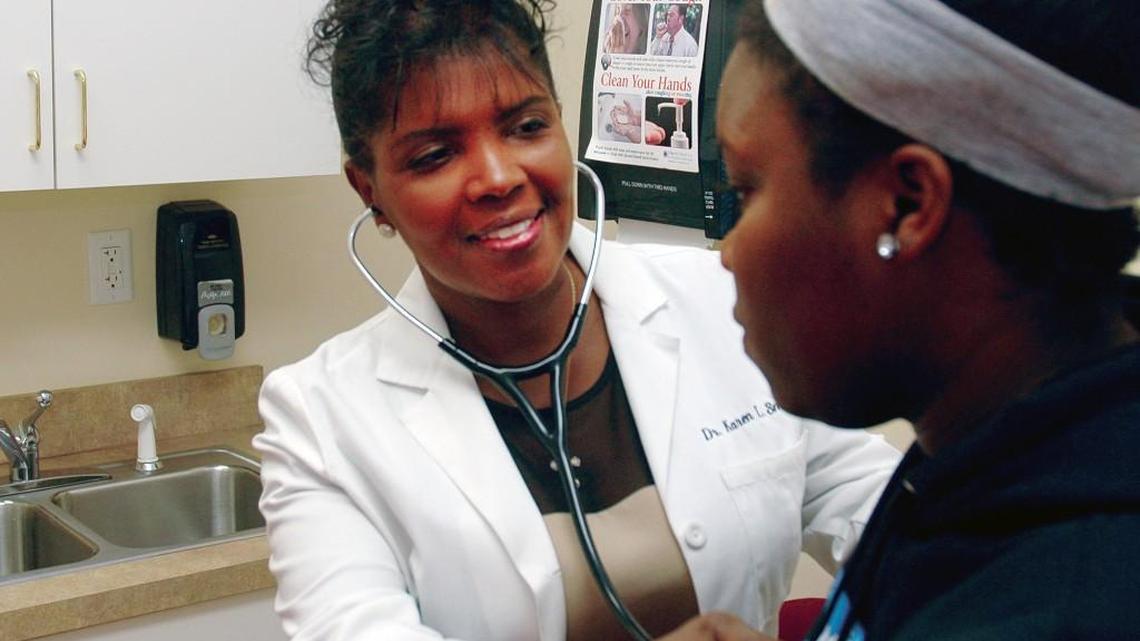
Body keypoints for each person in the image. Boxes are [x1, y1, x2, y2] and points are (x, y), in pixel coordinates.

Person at [254, 1, 900, 639]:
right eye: (434, 156)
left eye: (525, 126)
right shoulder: (320, 419)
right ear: (371, 192)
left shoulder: (721, 300)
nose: (498, 177)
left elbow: (896, 523)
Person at [662, 0, 1140, 639]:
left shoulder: (1059, 604)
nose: (728, 252)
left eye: (745, 189)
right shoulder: (995, 447)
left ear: (906, 204)